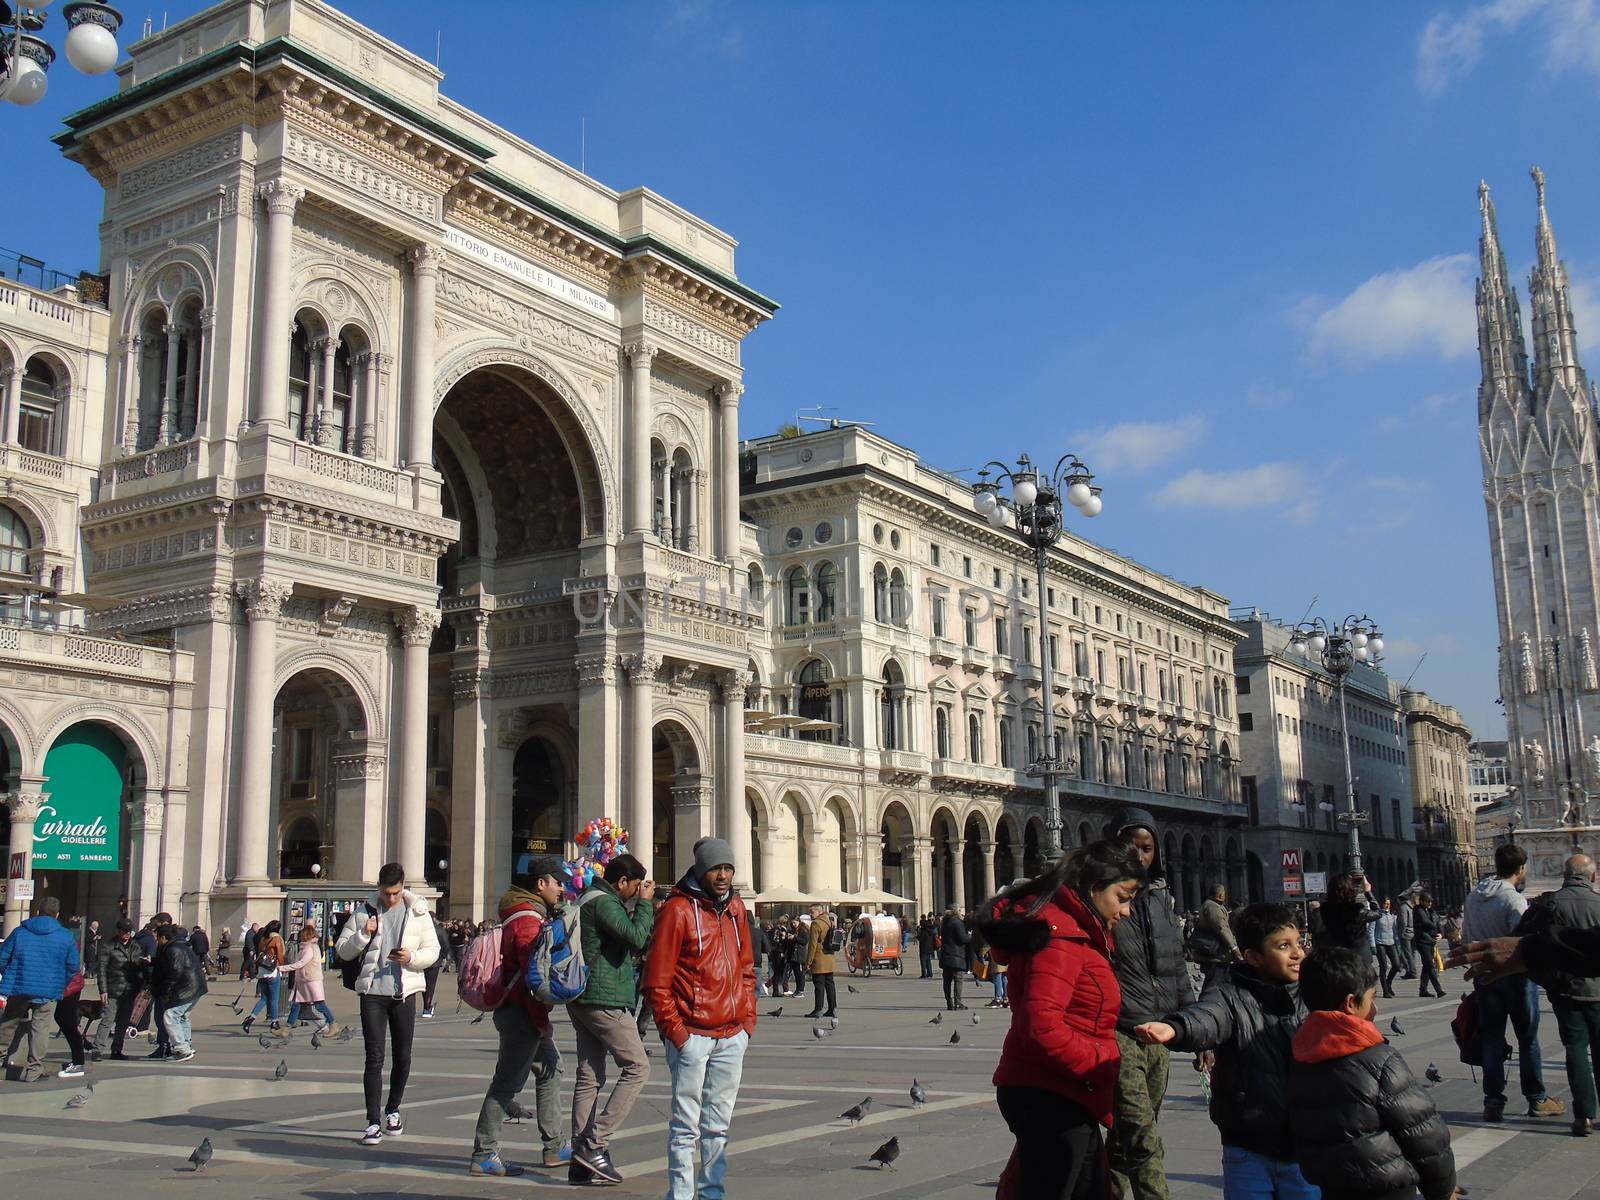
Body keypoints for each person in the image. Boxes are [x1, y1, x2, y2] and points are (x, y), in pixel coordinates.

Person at [979, 840, 1144, 1200]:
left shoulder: (1079, 933)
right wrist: (1100, 1063)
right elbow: (1040, 1024)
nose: (1127, 911)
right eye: (1123, 897)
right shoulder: (1061, 938)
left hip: (1061, 1091)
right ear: (1093, 887)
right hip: (1052, 1093)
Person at [1134, 903, 1315, 1200]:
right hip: (1247, 1145)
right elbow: (1207, 1017)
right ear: (1253, 956)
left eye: (1299, 943)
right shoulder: (1229, 997)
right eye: (1284, 946)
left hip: (1305, 1148)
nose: (1297, 954)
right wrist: (1177, 1028)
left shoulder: (1312, 997)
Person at [1287, 947, 1457, 1200]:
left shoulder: (1300, 1057)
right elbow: (1424, 1133)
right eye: (1372, 998)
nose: (1375, 1008)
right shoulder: (1379, 1061)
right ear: (1351, 1003)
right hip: (1390, 1188)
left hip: (1333, 1187)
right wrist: (1443, 1190)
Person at [642, 837, 757, 1200]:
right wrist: (678, 1034)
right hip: (693, 1035)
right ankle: (679, 1194)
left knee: (718, 1127)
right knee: (685, 1126)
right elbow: (656, 981)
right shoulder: (677, 910)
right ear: (700, 870)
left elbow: (747, 968)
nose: (722, 875)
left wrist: (746, 1022)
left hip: (731, 1032)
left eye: (728, 868)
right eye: (716, 869)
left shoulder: (736, 908)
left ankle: (712, 1193)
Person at [1107, 807, 1194, 1200]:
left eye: (1147, 848)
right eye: (1132, 846)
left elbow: (1176, 964)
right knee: (1142, 1135)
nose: (1140, 855)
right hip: (1121, 1030)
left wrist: (1193, 1028)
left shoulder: (1160, 898)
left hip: (1157, 1031)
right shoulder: (1104, 899)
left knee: (1129, 1135)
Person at [469, 855, 566, 1177]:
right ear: (541, 884)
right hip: (521, 1011)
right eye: (558, 882)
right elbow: (532, 975)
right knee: (506, 1083)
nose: (562, 888)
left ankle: (554, 1145)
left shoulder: (528, 913)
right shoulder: (527, 919)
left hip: (518, 1010)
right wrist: (542, 1019)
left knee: (552, 1067)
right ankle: (484, 1153)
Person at [336, 861, 441, 1148]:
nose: (390, 898)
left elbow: (433, 950)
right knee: (374, 1057)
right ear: (379, 889)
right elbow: (342, 951)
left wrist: (412, 959)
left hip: (403, 993)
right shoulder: (365, 912)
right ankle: (372, 1122)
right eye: (385, 893)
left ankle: (393, 1109)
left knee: (403, 1056)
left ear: (403, 887)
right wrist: (363, 935)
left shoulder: (418, 911)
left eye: (395, 893)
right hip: (373, 992)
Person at [568, 852, 655, 1186]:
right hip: (603, 996)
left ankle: (580, 1156)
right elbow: (635, 938)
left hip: (582, 996)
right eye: (634, 886)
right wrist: (645, 905)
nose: (636, 891)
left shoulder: (586, 897)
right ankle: (594, 1143)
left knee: (589, 1074)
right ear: (621, 882)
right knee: (637, 1067)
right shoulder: (605, 903)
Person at [1462, 842, 1563, 1122]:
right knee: (1527, 1039)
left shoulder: (1472, 897)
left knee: (1492, 1039)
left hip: (1484, 976)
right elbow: (1523, 941)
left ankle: (1493, 1101)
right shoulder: (1513, 900)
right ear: (1521, 869)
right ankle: (1537, 1098)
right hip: (1515, 978)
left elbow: (1466, 936)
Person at [1521, 853, 1600, 1136]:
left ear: (1564, 874)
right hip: (1599, 991)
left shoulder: (1551, 905)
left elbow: (1529, 946)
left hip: (1566, 991)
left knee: (1575, 1050)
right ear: (1591, 876)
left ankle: (1584, 1116)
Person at [0, 896, 82, 1082]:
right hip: (47, 989)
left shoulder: (20, 932)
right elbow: (72, 967)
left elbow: (2, 958)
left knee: (8, 1024)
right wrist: (59, 983)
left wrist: (10, 974)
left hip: (18, 986)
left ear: (37, 912)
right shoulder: (65, 936)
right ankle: (34, 1069)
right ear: (57, 914)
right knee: (40, 1030)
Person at [150, 921, 206, 1063]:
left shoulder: (171, 949)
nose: (157, 941)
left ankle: (181, 1049)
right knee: (182, 1016)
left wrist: (166, 990)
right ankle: (187, 1044)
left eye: (158, 938)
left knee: (170, 1015)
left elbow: (175, 971)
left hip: (186, 987)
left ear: (163, 937)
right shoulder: (181, 945)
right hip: (196, 986)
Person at [93, 917, 147, 1061]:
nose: (127, 934)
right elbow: (102, 969)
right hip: (113, 989)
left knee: (123, 1022)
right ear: (118, 931)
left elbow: (139, 968)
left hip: (129, 990)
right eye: (124, 931)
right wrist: (103, 990)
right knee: (107, 1020)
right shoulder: (109, 946)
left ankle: (117, 1049)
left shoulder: (135, 946)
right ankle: (97, 1049)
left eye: (129, 931)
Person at [284, 923, 338, 1030]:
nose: (300, 937)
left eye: (302, 935)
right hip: (305, 980)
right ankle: (286, 1028)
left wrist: (282, 968)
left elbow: (301, 963)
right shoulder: (310, 947)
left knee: (319, 1004)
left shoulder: (309, 948)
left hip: (310, 981)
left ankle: (333, 1023)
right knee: (297, 1004)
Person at [1316, 874, 1380, 959]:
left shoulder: (1325, 909)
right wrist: (1368, 892)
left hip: (1337, 955)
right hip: (1359, 957)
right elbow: (1378, 913)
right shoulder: (1357, 910)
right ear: (1350, 890)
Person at [1191, 884, 1241, 990]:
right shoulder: (1212, 906)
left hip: (1217, 954)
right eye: (1224, 894)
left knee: (1223, 984)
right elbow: (1222, 928)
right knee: (1213, 985)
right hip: (1216, 955)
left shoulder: (1211, 905)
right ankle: (1206, 1005)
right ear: (1220, 895)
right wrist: (1234, 948)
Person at [243, 919, 287, 1034]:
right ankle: (275, 1022)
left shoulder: (263, 938)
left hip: (262, 971)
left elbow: (260, 952)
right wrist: (283, 966)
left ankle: (250, 1019)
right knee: (274, 999)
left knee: (264, 998)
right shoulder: (276, 939)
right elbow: (280, 955)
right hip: (272, 971)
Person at [803, 904, 838, 1020]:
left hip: (819, 959)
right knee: (830, 984)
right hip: (830, 958)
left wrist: (808, 962)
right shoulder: (830, 922)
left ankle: (818, 1009)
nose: (810, 914)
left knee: (819, 985)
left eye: (812, 912)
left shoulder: (816, 924)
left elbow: (812, 945)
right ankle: (832, 1008)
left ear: (818, 911)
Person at [1412, 893, 1446, 999]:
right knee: (1430, 966)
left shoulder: (1431, 911)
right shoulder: (1418, 910)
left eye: (1431, 901)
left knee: (1427, 966)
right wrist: (1435, 929)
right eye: (1428, 901)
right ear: (1422, 901)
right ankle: (1438, 990)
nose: (1430, 903)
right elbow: (1426, 923)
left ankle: (1423, 990)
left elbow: (1438, 923)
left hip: (1431, 942)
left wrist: (1441, 933)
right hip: (1422, 941)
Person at [939, 904, 971, 1011]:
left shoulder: (945, 923)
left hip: (946, 955)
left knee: (947, 980)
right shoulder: (957, 922)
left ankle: (949, 1002)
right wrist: (969, 936)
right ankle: (958, 1002)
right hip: (956, 955)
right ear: (956, 911)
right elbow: (962, 939)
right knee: (958, 979)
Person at [421, 912, 447, 1018]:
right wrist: (444, 957)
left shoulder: (421, 929)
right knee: (430, 985)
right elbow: (445, 945)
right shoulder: (440, 930)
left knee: (423, 985)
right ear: (434, 918)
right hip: (435, 961)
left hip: (421, 959)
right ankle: (427, 1008)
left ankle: (426, 1006)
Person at [1374, 899, 1400, 998]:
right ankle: (1385, 991)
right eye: (1385, 904)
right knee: (1384, 966)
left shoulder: (1392, 916)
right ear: (1382, 904)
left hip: (1391, 942)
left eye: (1389, 904)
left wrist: (1398, 944)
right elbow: (1371, 930)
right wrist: (1373, 945)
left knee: (1397, 965)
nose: (1387, 906)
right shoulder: (1377, 915)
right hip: (1380, 942)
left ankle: (1388, 983)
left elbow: (1395, 931)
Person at [1395, 894, 1417, 979]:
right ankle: (1412, 970)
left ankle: (1411, 972)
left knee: (1407, 953)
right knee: (1412, 953)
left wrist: (1401, 932)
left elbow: (1403, 921)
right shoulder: (1411, 906)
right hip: (1412, 931)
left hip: (1406, 932)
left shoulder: (1403, 907)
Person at [917, 913, 937, 979]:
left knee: (923, 960)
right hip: (930, 947)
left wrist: (918, 933)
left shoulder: (923, 931)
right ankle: (930, 973)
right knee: (928, 960)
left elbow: (920, 938)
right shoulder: (931, 930)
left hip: (923, 947)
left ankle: (924, 974)